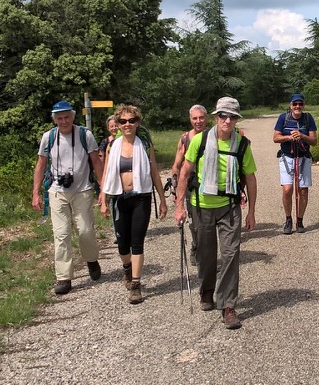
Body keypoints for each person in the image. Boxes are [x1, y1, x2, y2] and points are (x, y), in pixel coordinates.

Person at [175, 96, 257, 330]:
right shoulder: (199, 141)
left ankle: (228, 305)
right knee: (206, 255)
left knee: (231, 255)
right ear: (216, 117)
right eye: (223, 115)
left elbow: (250, 178)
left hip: (229, 207)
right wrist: (180, 205)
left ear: (236, 119)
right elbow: (184, 172)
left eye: (232, 116)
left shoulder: (242, 145)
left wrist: (251, 211)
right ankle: (207, 290)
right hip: (201, 206)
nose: (227, 120)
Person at [32, 100, 105, 295]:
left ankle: (91, 259)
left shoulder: (84, 135)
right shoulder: (48, 137)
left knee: (86, 230)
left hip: (82, 190)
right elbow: (40, 164)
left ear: (73, 117)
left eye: (66, 117)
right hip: (57, 191)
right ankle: (64, 277)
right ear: (54, 120)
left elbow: (96, 162)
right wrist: (36, 193)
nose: (63, 121)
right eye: (59, 118)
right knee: (61, 234)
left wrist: (103, 188)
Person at [99, 105, 168, 304]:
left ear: (137, 122)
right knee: (122, 245)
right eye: (123, 121)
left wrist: (162, 200)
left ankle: (136, 285)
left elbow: (154, 172)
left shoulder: (144, 145)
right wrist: (103, 199)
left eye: (131, 121)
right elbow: (106, 173)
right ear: (118, 124)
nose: (127, 124)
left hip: (141, 197)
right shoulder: (113, 146)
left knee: (137, 242)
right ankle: (127, 268)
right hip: (119, 198)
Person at [273, 93, 317, 234]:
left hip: (304, 157)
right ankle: (288, 219)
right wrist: (289, 137)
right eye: (295, 104)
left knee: (303, 190)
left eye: (300, 104)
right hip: (287, 157)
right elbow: (275, 138)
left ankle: (299, 220)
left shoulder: (308, 118)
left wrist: (302, 135)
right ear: (290, 105)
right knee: (287, 189)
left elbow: (314, 141)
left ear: (304, 105)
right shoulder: (283, 118)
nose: (297, 106)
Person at [171, 104, 209, 265]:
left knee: (208, 222)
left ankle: (206, 252)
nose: (198, 121)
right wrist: (175, 189)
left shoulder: (214, 136)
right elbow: (176, 165)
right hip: (191, 185)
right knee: (194, 221)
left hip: (210, 184)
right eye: (195, 118)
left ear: (207, 118)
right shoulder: (185, 139)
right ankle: (196, 246)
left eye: (201, 117)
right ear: (190, 119)